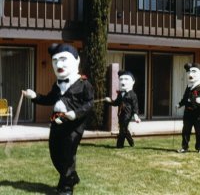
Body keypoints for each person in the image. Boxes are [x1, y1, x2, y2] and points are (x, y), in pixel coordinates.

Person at [22, 43, 94, 195]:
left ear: (76, 61)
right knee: (55, 154)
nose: (58, 64)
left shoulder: (84, 84)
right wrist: (34, 96)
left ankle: (67, 186)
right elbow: (50, 99)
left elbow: (89, 104)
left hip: (73, 126)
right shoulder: (57, 85)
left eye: (63, 59)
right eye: (55, 61)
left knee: (68, 154)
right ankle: (71, 176)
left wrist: (76, 113)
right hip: (56, 123)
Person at [104, 70, 141, 148]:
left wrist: (136, 116)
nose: (123, 81)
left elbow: (135, 106)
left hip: (128, 114)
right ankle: (131, 142)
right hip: (121, 114)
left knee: (122, 130)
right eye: (121, 79)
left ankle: (119, 145)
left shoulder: (133, 95)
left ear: (133, 81)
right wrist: (109, 101)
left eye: (126, 79)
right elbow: (116, 103)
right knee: (124, 128)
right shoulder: (121, 94)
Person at [176, 62, 200, 153]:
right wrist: (180, 104)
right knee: (185, 131)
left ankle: (199, 148)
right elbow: (185, 98)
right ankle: (184, 147)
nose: (190, 74)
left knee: (199, 131)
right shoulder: (188, 86)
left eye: (194, 72)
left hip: (198, 113)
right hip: (188, 113)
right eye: (189, 72)